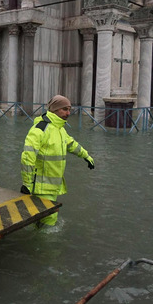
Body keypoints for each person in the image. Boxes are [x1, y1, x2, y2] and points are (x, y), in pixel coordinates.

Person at [20, 95, 95, 228]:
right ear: (54, 110)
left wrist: (86, 156)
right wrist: (26, 183)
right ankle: (43, 245)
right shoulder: (40, 129)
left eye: (69, 109)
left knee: (43, 218)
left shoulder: (59, 129)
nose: (68, 113)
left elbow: (71, 144)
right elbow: (27, 156)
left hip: (52, 185)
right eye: (64, 109)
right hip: (41, 185)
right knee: (48, 219)